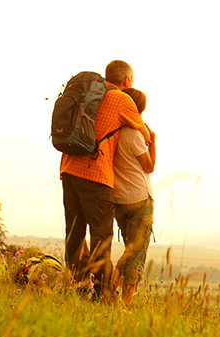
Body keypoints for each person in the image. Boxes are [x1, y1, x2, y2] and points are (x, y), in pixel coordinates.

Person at [60, 60, 151, 298]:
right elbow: (144, 134)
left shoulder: (88, 92)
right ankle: (101, 296)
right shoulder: (123, 99)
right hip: (96, 173)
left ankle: (79, 290)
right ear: (127, 81)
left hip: (69, 168)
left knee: (75, 234)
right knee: (101, 236)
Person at [113, 88, 156, 305]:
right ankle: (126, 301)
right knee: (136, 253)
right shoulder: (135, 134)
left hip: (118, 199)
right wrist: (154, 141)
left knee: (130, 249)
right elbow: (149, 166)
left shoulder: (112, 131)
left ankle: (110, 290)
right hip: (139, 197)